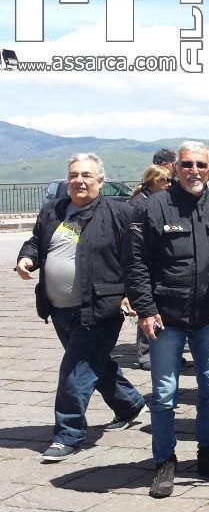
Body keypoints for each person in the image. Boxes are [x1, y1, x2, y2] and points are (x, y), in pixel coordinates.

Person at [126, 141, 209, 498]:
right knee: (163, 395)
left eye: (201, 165)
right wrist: (145, 310)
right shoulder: (153, 207)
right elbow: (136, 263)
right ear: (175, 168)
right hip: (167, 316)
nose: (194, 170)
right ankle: (164, 461)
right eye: (187, 164)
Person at [16, 153, 147, 462]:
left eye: (87, 175)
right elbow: (37, 241)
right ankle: (128, 403)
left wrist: (132, 294)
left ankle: (68, 434)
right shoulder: (53, 210)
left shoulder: (119, 213)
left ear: (100, 181)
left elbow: (136, 257)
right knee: (93, 363)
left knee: (75, 370)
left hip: (100, 306)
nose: (79, 180)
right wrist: (27, 258)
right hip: (59, 307)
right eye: (73, 174)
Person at [129, 164, 174, 371]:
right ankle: (146, 354)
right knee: (146, 311)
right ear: (155, 181)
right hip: (144, 265)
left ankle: (160, 353)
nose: (169, 184)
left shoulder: (152, 200)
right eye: (166, 181)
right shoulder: (140, 203)